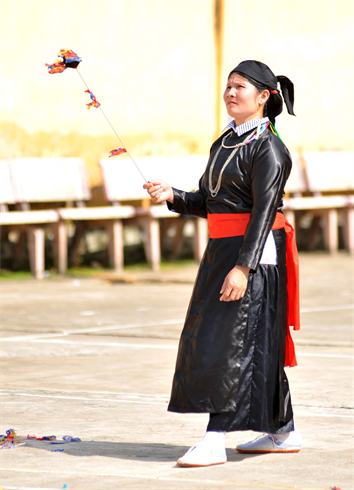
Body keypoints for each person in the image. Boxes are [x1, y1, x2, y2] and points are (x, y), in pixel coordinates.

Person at [143, 60, 301, 467]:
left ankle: (214, 439)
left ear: (264, 96)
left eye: (240, 87)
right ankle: (283, 431)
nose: (231, 93)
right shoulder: (226, 142)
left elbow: (264, 211)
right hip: (220, 251)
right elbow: (208, 201)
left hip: (254, 254)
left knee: (230, 344)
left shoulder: (269, 147)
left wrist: (244, 268)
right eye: (228, 86)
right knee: (247, 341)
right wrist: (173, 195)